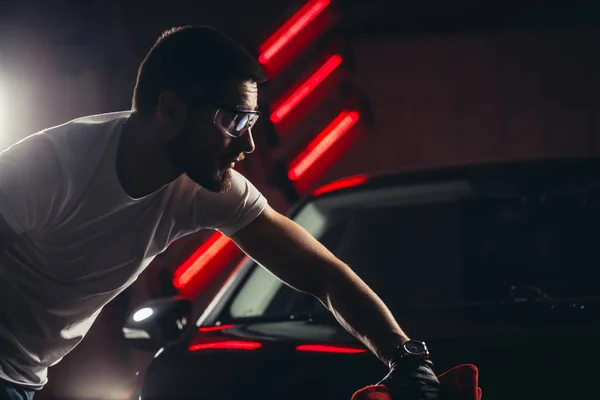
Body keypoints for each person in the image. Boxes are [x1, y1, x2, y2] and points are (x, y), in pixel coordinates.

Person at [0, 26, 440, 399]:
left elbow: (322, 274)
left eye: (251, 123)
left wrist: (406, 359)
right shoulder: (53, 166)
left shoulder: (207, 187)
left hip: (20, 378)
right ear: (171, 110)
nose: (247, 146)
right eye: (233, 122)